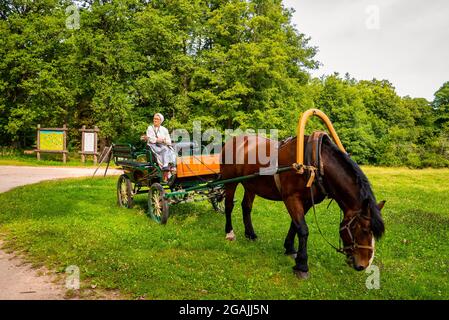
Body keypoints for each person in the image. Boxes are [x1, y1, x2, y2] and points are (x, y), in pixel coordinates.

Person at [141, 113, 177, 182]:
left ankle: (171, 169)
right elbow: (150, 139)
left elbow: (169, 141)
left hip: (163, 145)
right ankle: (165, 166)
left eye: (157, 119)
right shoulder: (150, 128)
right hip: (153, 146)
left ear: (161, 121)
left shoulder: (164, 129)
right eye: (154, 118)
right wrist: (157, 140)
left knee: (172, 152)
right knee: (165, 149)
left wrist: (163, 140)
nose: (155, 120)